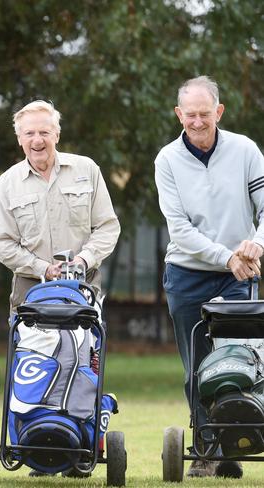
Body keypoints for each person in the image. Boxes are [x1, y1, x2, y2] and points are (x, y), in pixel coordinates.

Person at [155, 75, 264, 479]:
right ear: (178, 114)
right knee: (197, 367)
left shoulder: (245, 150)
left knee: (238, 361)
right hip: (187, 275)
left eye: (205, 114)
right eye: (190, 115)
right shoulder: (167, 159)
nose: (197, 122)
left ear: (218, 112)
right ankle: (206, 450)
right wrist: (227, 257)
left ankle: (234, 443)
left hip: (239, 275)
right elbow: (179, 229)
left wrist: (257, 245)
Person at [0, 100, 120, 312]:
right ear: (19, 139)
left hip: (83, 285)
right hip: (30, 288)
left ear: (57, 135)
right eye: (29, 133)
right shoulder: (6, 184)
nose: (37, 140)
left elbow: (108, 227)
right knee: (31, 346)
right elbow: (4, 243)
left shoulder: (87, 170)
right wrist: (43, 268)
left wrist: (83, 260)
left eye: (44, 132)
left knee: (82, 345)